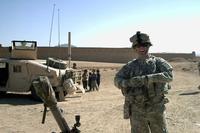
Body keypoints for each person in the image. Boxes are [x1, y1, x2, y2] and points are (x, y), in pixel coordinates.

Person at [114, 31, 173, 133]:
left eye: (145, 45)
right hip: (137, 111)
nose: (142, 48)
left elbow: (169, 76)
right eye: (138, 46)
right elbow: (117, 80)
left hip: (156, 109)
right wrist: (128, 83)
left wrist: (147, 79)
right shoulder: (130, 66)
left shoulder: (158, 62)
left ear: (149, 46)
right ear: (135, 48)